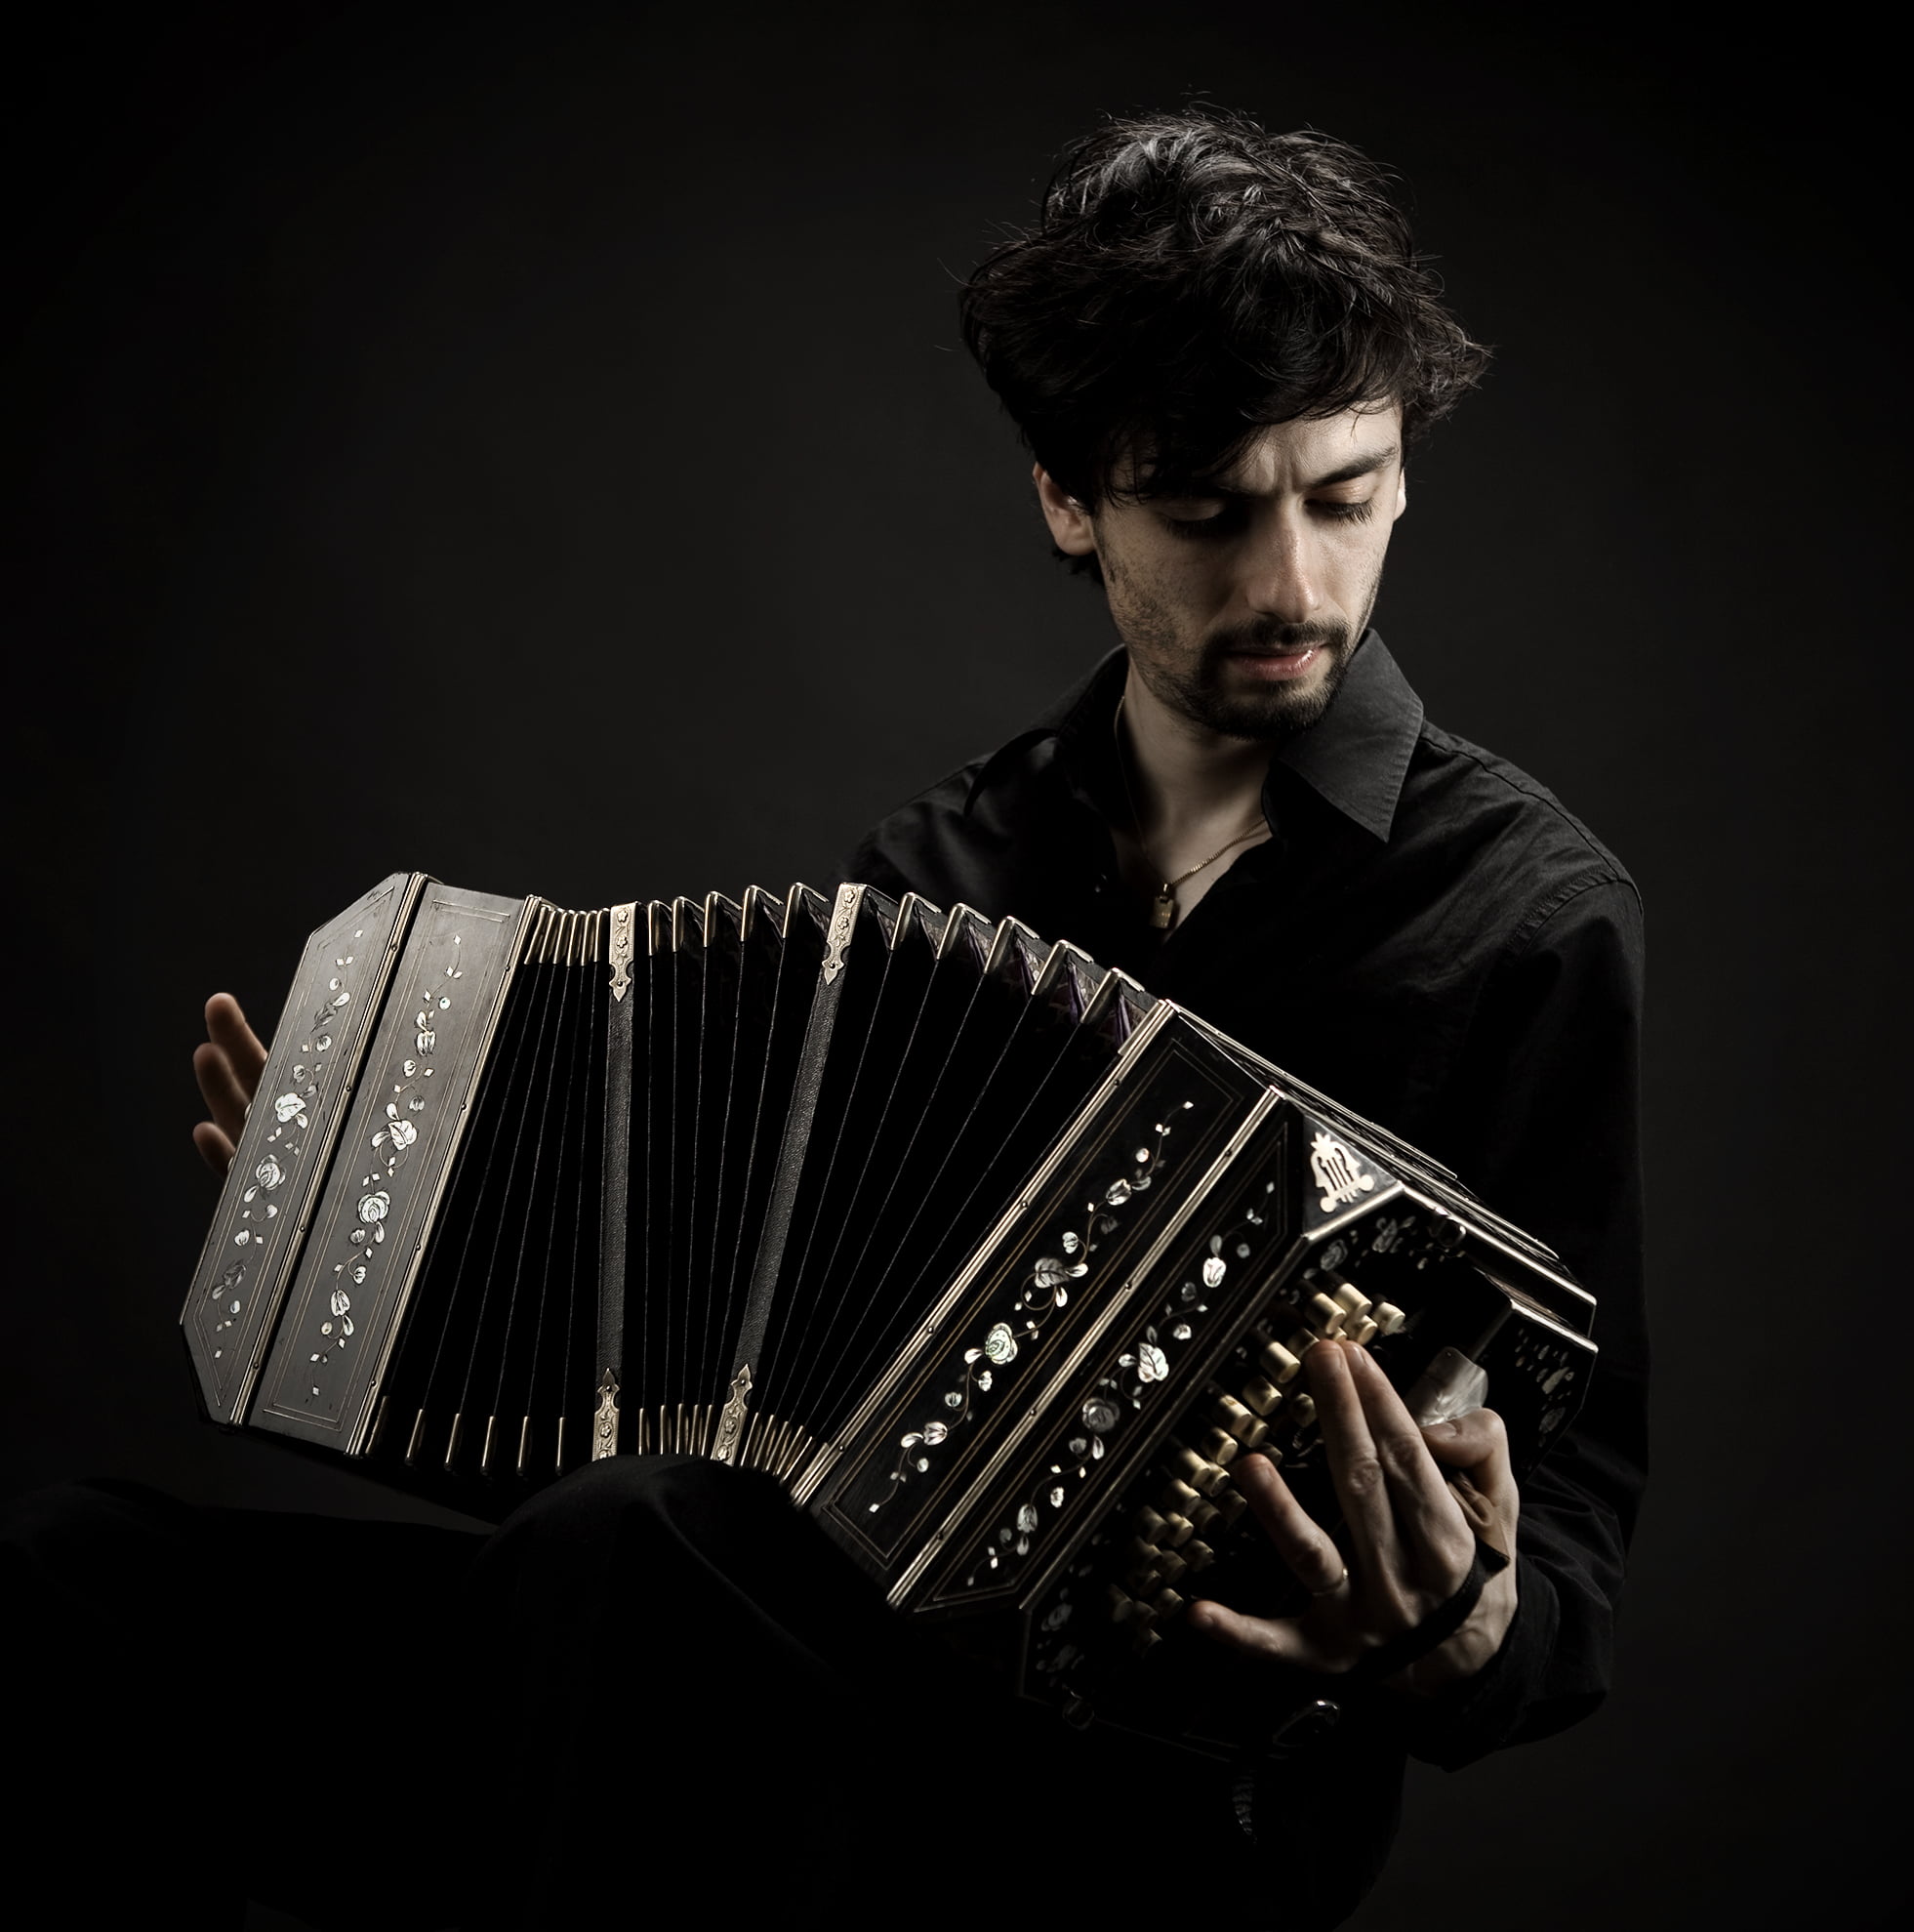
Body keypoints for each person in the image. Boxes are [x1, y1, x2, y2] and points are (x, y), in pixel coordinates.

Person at [16, 109, 1644, 1930]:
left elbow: (1573, 1532)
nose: (1291, 584)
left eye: (1344, 496)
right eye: (1206, 509)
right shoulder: (940, 871)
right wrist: (384, 1294)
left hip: (1162, 1780)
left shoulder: (1523, 915)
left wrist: (1459, 1627)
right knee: (83, 1579)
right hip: (770, 1646)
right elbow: (729, 1423)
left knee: (627, 1564)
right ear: (1068, 496)